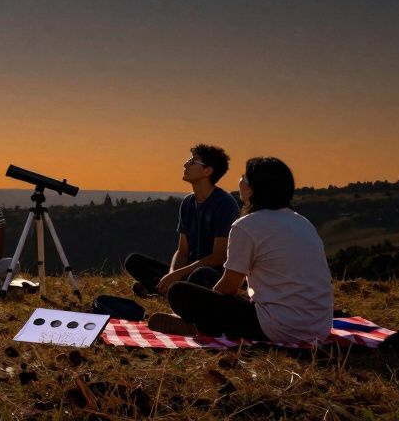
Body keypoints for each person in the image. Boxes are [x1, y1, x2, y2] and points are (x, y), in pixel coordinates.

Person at [148, 157, 334, 344]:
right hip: (320, 326)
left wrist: (207, 305)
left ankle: (199, 325)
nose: (240, 181)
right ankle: (199, 321)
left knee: (179, 292)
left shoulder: (246, 225)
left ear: (253, 189)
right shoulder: (303, 222)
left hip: (278, 327)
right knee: (202, 276)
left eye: (244, 177)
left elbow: (229, 288)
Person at [123, 144, 238, 296]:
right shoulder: (188, 203)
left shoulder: (224, 203)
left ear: (207, 171)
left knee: (201, 275)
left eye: (193, 162)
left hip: (211, 274)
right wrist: (171, 274)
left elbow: (219, 256)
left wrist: (177, 276)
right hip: (187, 271)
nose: (185, 164)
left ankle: (163, 290)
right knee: (133, 261)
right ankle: (167, 290)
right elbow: (182, 250)